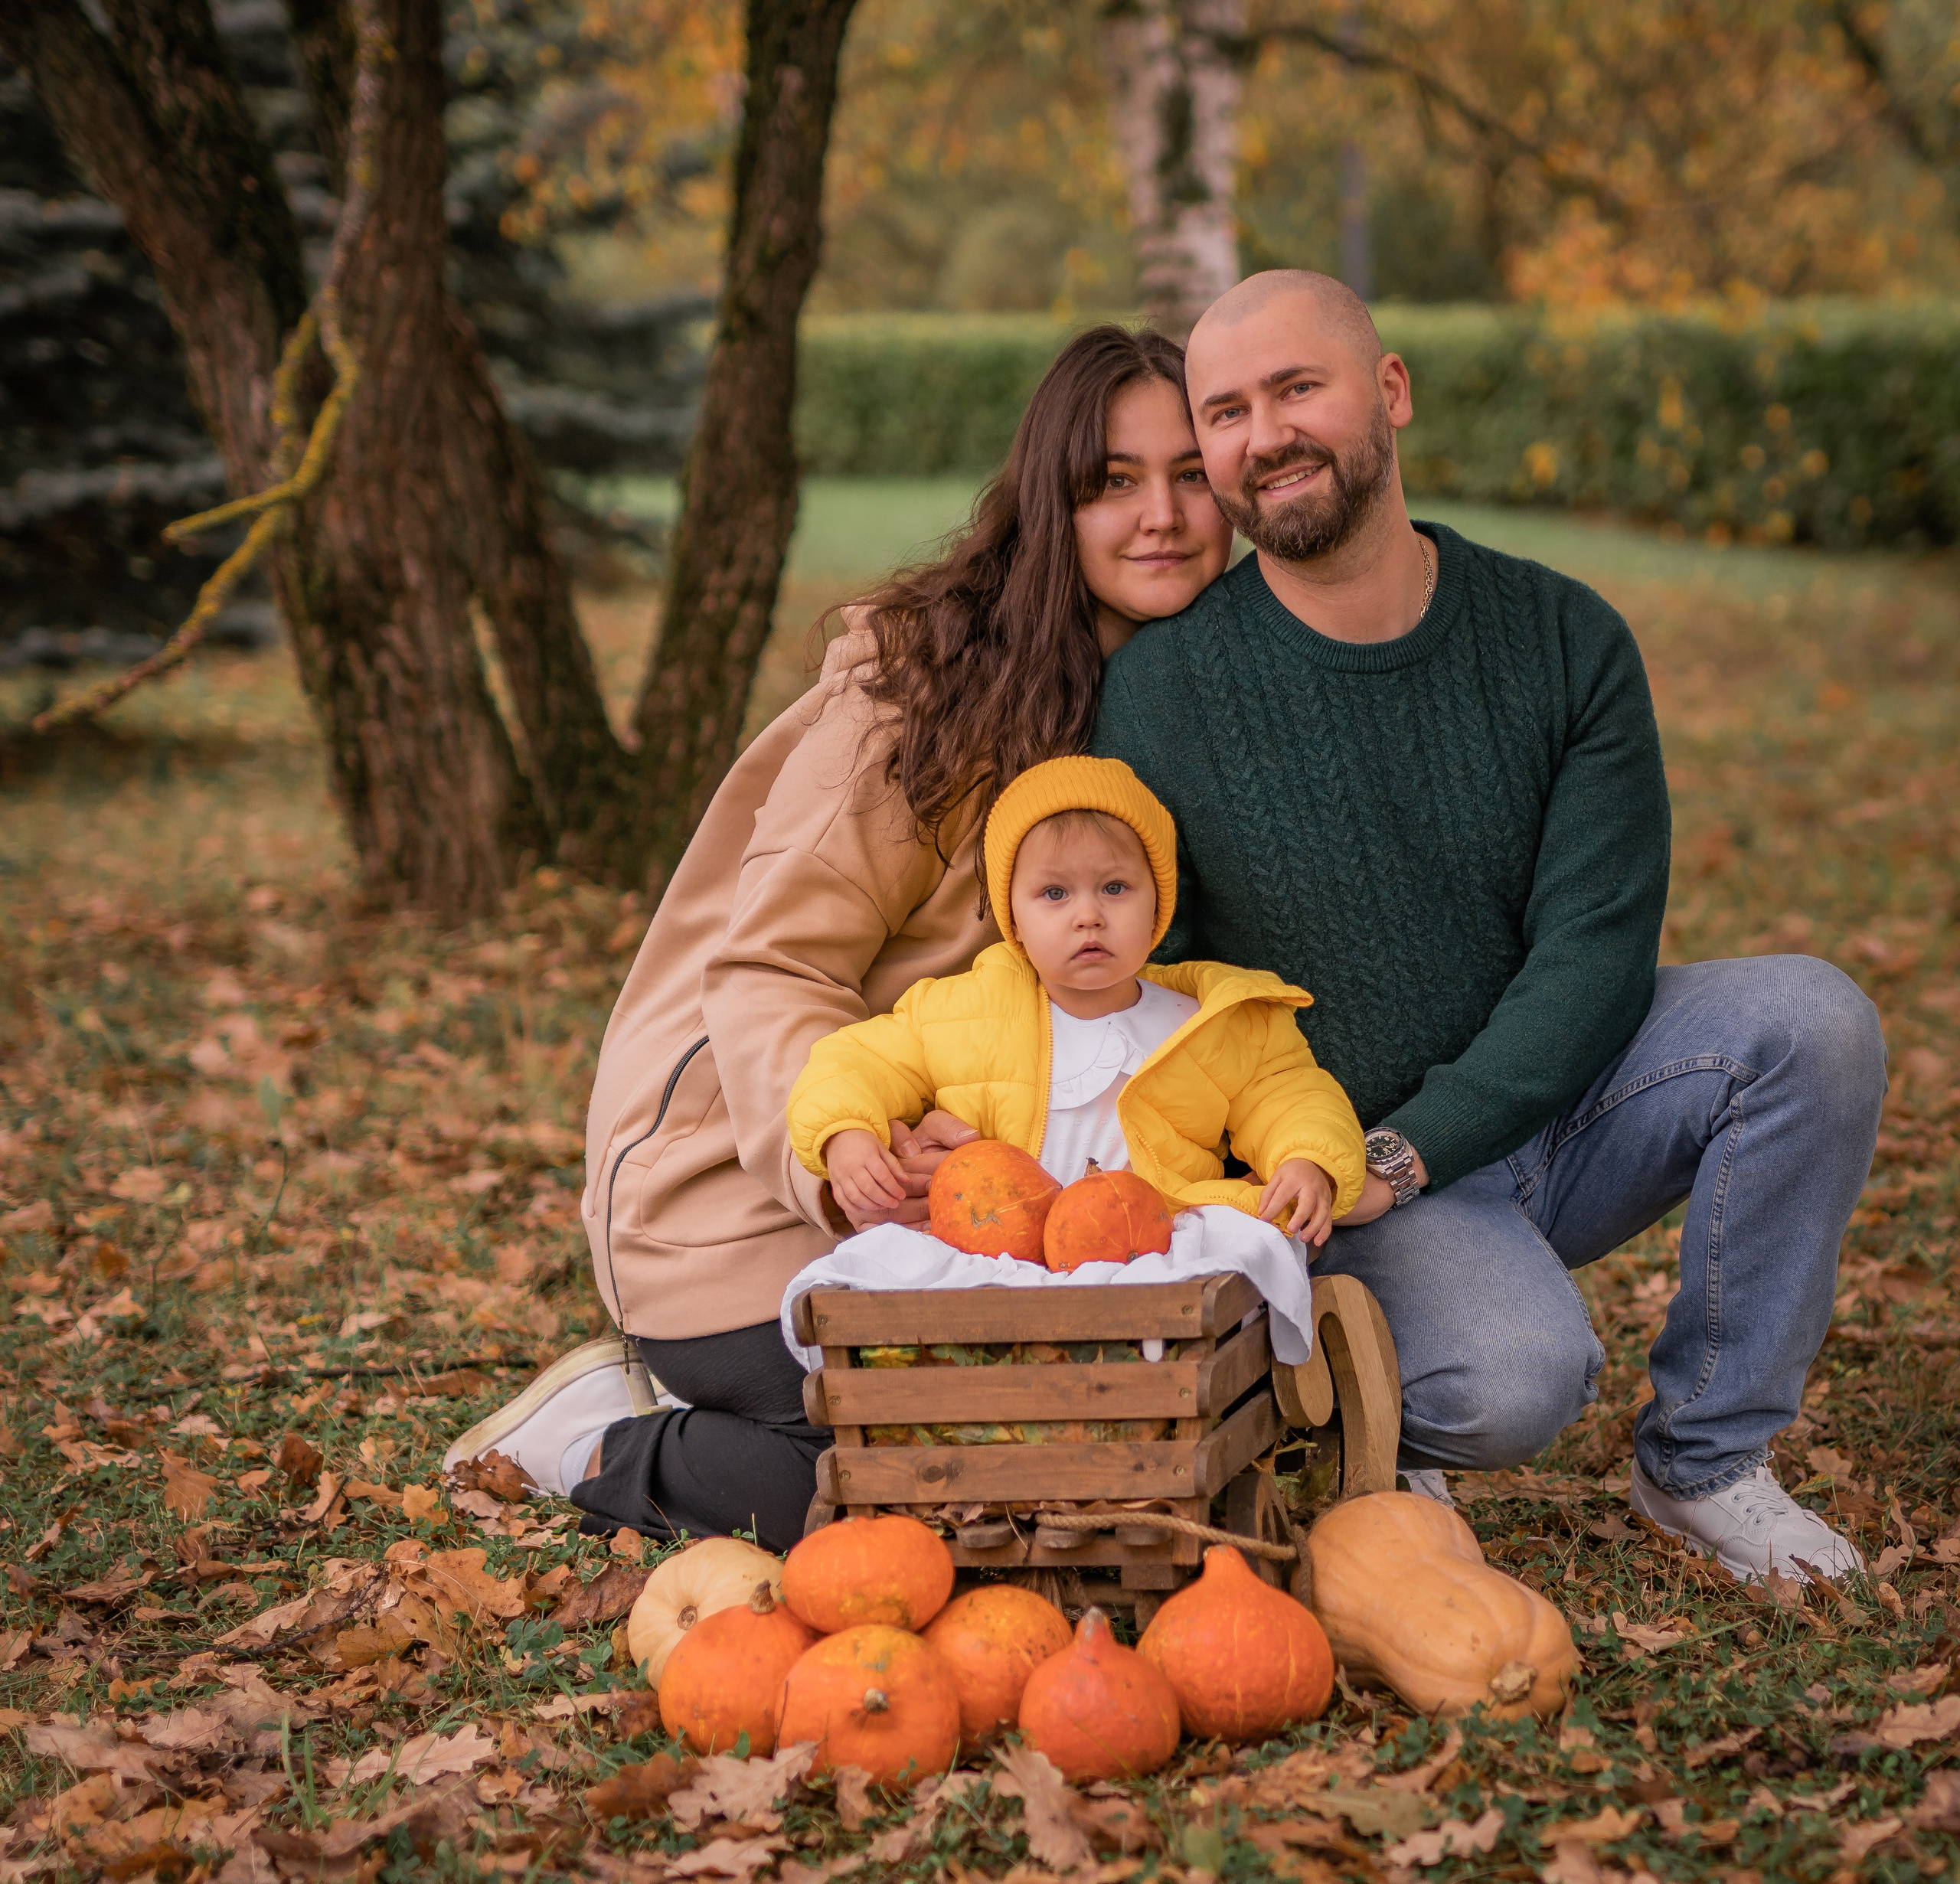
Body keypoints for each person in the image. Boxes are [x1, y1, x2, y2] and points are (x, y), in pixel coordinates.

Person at [1090, 268, 1886, 1582]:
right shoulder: (1166, 691)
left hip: (1546, 1109)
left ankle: (1706, 1462)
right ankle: (1385, 1408)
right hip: (1341, 1166)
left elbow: (1598, 952)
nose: (1263, 434)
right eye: (1225, 409)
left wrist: (1417, 1147)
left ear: (1389, 391)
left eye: (1299, 387)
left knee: (1810, 1019)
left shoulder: (1564, 637)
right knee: (1521, 1382)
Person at [443, 325, 1235, 1550]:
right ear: (1050, 501)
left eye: (1192, 473)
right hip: (752, 1201)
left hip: (996, 1223)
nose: (1166, 515)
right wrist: (848, 1151)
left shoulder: (1206, 691)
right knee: (925, 1505)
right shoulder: (925, 695)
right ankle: (598, 1436)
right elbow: (772, 968)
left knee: (1085, 1450)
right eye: (1115, 482)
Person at [789, 754, 1383, 1243]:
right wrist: (845, 1133)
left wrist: (1309, 1160)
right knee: (878, 1265)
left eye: (1116, 887)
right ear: (1013, 917)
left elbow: (1289, 1092)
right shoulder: (960, 1012)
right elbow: (855, 1060)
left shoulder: (1208, 1023)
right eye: (1054, 892)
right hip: (995, 1246)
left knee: (1253, 1251)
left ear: (1159, 903)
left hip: (1160, 1242)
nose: (1089, 915)